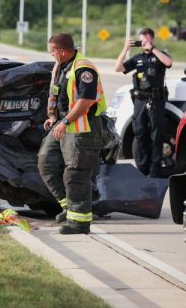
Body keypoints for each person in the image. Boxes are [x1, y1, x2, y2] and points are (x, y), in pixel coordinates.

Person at [38, 33, 106, 234]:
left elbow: (85, 101)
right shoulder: (61, 66)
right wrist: (52, 116)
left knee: (75, 174)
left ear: (62, 50)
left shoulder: (84, 68)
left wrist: (66, 121)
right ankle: (68, 208)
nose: (52, 55)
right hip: (63, 123)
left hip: (82, 127)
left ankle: (79, 222)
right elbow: (56, 93)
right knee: (46, 161)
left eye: (52, 51)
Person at [114, 28, 172, 177]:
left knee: (156, 134)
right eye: (141, 40)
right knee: (140, 133)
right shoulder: (137, 58)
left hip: (156, 100)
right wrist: (125, 49)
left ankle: (155, 169)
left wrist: (152, 49)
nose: (143, 43)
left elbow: (169, 62)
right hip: (140, 101)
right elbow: (118, 68)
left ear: (152, 40)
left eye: (146, 40)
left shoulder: (160, 55)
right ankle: (142, 169)